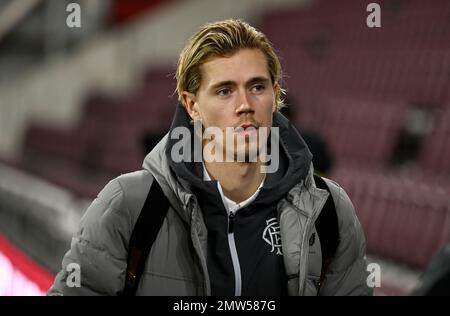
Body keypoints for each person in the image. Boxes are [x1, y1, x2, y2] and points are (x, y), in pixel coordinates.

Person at [48, 19, 372, 296]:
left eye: (257, 87)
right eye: (224, 91)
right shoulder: (128, 205)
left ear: (275, 96)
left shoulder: (329, 210)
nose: (244, 104)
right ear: (192, 106)